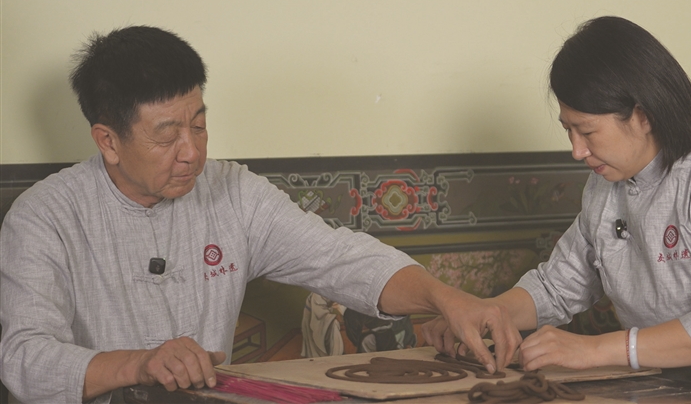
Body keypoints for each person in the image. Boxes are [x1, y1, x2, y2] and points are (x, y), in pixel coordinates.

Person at [0, 26, 517, 404]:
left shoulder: (233, 192)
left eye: (198, 125)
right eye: (166, 136)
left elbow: (341, 258)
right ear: (108, 142)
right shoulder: (45, 217)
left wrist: (446, 299)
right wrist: (138, 364)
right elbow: (23, 357)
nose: (191, 152)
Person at [422, 16, 691, 397]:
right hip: (660, 391)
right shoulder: (606, 185)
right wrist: (486, 314)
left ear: (643, 116)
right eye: (568, 131)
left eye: (587, 131)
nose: (577, 151)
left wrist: (596, 350)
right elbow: (557, 286)